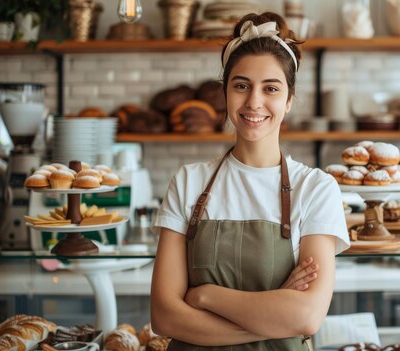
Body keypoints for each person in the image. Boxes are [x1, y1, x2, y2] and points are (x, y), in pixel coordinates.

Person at [150, 12, 350, 350]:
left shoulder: (316, 188)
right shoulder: (188, 181)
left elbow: (307, 317)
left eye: (270, 88)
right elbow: (165, 317)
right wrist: (276, 315)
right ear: (225, 94)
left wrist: (206, 296)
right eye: (241, 85)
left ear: (288, 101)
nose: (254, 101)